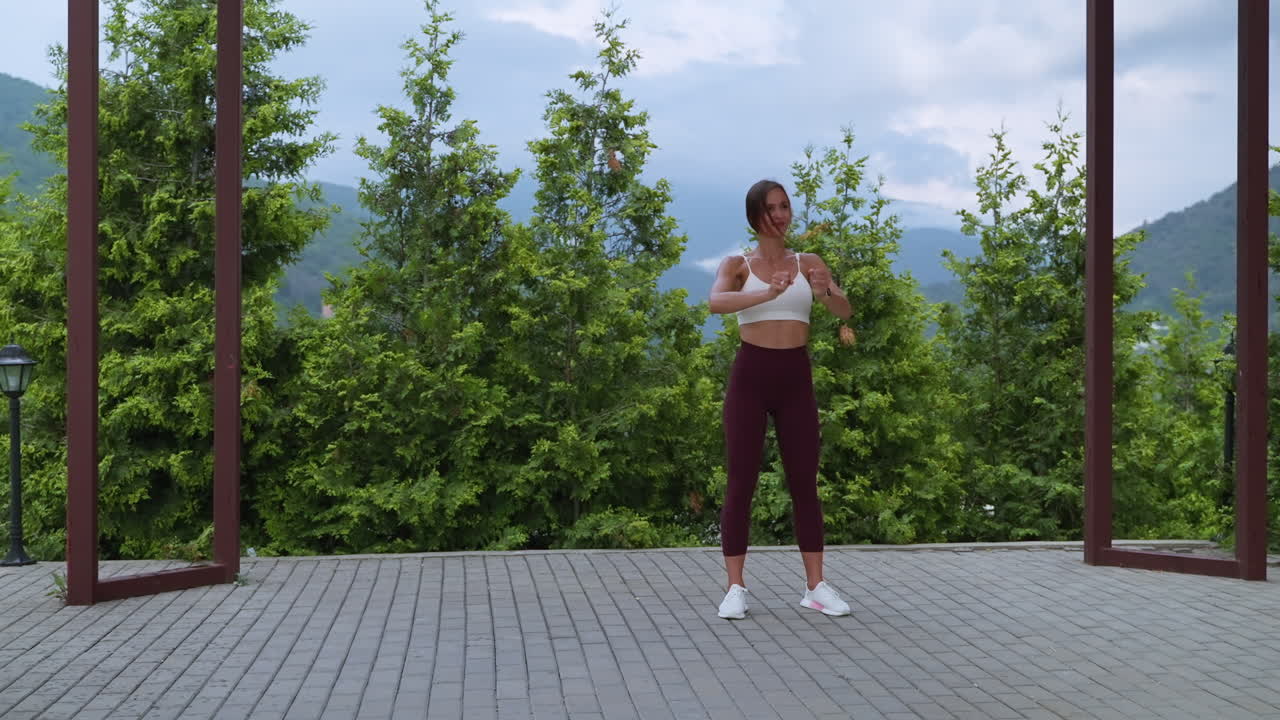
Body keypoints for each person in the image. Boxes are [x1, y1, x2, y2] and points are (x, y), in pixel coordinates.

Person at [707, 179, 853, 620]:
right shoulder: (737, 263)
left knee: (804, 481)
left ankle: (815, 586)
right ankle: (735, 587)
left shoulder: (808, 261)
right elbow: (716, 303)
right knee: (741, 481)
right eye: (772, 207)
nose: (782, 214)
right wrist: (767, 293)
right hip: (751, 374)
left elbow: (844, 312)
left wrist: (827, 290)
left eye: (786, 206)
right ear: (755, 216)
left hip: (795, 375)